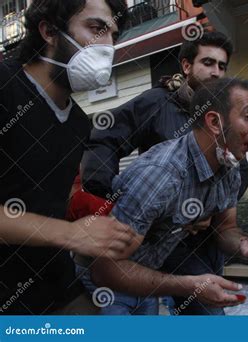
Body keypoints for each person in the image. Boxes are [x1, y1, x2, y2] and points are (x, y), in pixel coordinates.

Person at [80, 31, 248, 315]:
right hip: (155, 241)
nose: (215, 72)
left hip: (204, 241)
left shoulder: (225, 114)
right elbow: (105, 140)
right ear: (186, 66)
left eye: (222, 66)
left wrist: (211, 207)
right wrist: (113, 198)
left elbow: (237, 168)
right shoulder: (156, 104)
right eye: (208, 62)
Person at [0, 0, 139, 315]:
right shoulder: (5, 87)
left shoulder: (78, 123)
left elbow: (55, 203)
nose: (107, 47)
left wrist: (104, 229)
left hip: (52, 280)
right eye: (96, 29)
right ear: (49, 31)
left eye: (113, 35)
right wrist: (73, 234)